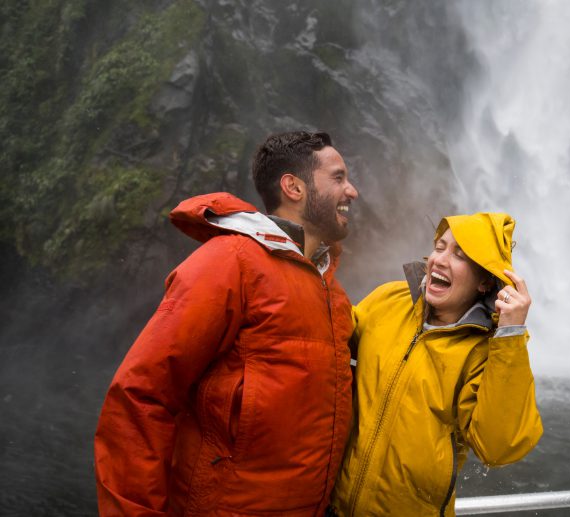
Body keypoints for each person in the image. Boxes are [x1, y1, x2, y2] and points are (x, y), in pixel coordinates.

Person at [94, 131, 359, 516]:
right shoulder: (229, 262)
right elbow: (140, 395)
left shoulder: (332, 293)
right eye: (338, 177)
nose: (352, 191)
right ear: (293, 187)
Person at [330, 213, 543, 516]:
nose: (439, 260)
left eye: (460, 254)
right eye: (439, 247)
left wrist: (510, 332)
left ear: (485, 281)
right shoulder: (390, 299)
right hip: (333, 507)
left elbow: (499, 447)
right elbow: (325, 338)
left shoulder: (484, 352)